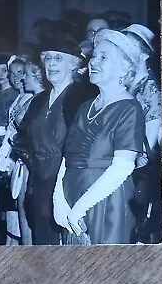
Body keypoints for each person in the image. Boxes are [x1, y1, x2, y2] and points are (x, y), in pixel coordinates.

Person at [53, 29, 146, 244]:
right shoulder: (84, 106)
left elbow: (122, 168)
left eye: (104, 57)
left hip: (107, 202)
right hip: (71, 199)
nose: (94, 61)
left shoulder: (130, 109)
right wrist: (59, 201)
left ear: (125, 68)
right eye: (95, 55)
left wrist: (80, 208)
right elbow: (67, 158)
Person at [13, 30, 94, 245]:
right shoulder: (39, 101)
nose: (51, 63)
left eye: (58, 58)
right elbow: (23, 140)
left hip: (68, 187)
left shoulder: (83, 97)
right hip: (39, 185)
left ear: (73, 64)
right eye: (47, 58)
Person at [121, 24, 162, 243]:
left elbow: (150, 140)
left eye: (130, 46)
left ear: (145, 54)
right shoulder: (123, 85)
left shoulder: (151, 89)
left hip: (136, 173)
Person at [0, 55, 33, 245]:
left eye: (21, 72)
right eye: (13, 73)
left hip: (21, 161)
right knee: (12, 219)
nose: (16, 77)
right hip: (12, 160)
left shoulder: (32, 97)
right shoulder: (19, 96)